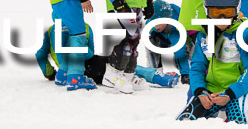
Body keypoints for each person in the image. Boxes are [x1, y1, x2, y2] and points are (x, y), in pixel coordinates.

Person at [177, 0, 248, 124]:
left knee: (239, 125)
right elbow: (197, 66)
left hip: (237, 90)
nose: (222, 19)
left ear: (236, 10)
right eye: (216, 13)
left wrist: (230, 93)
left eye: (228, 13)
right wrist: (200, 91)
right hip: (211, 92)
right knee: (185, 122)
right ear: (207, 12)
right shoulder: (205, 35)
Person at [36, 23, 179, 89]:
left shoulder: (49, 31)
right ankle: (158, 77)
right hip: (89, 66)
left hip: (69, 70)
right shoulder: (83, 26)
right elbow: (90, 52)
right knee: (119, 66)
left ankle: (156, 76)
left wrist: (50, 74)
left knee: (117, 67)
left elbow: (40, 55)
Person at [145, 0, 192, 85]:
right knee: (150, 41)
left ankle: (189, 67)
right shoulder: (150, 23)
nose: (156, 26)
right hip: (165, 38)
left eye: (159, 23)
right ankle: (154, 70)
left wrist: (185, 74)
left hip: (186, 42)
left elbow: (179, 49)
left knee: (182, 58)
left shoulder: (174, 26)